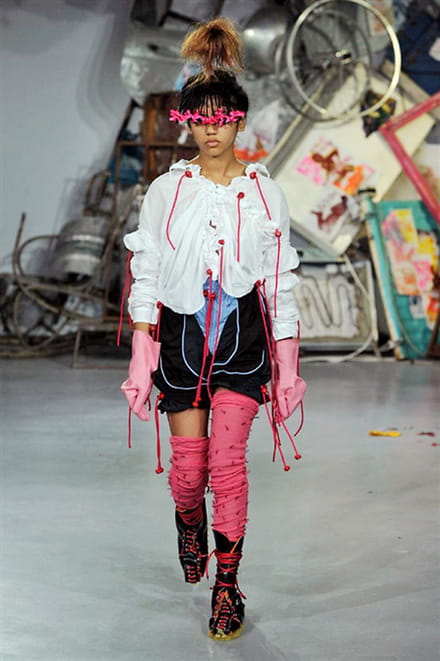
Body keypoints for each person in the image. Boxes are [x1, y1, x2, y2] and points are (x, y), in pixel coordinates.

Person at [120, 17, 306, 641]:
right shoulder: (166, 191)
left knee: (227, 466)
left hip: (242, 340)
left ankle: (227, 586)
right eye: (200, 119)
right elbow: (147, 269)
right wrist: (141, 352)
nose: (212, 129)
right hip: (181, 338)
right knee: (188, 473)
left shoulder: (265, 192)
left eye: (222, 118)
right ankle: (188, 521)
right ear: (187, 123)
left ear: (238, 121)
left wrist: (289, 368)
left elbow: (279, 280)